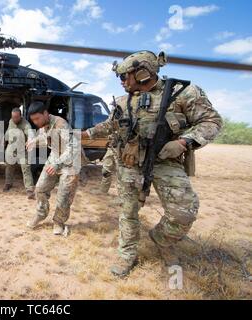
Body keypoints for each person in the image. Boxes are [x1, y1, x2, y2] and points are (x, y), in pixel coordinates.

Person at [82, 51, 223, 277]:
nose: (121, 82)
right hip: (129, 163)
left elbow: (212, 121)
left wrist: (184, 142)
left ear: (143, 73)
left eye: (124, 76)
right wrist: (85, 134)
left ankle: (162, 240)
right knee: (128, 212)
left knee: (184, 212)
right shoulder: (122, 100)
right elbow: (109, 125)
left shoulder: (183, 94)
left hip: (165, 162)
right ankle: (127, 254)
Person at [26, 101, 82, 235]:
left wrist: (57, 164)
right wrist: (34, 140)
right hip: (55, 157)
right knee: (40, 188)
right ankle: (41, 213)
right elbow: (43, 136)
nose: (35, 122)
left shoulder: (60, 124)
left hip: (70, 163)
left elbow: (73, 147)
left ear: (45, 113)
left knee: (64, 196)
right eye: (33, 120)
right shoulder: (43, 125)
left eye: (37, 118)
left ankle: (58, 222)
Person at [4, 108, 35, 199]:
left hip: (22, 150)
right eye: (13, 117)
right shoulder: (11, 121)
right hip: (11, 148)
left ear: (20, 116)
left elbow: (30, 134)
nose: (14, 119)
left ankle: (29, 190)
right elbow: (8, 132)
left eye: (16, 117)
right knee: (9, 167)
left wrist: (30, 140)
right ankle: (8, 183)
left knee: (26, 169)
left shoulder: (26, 124)